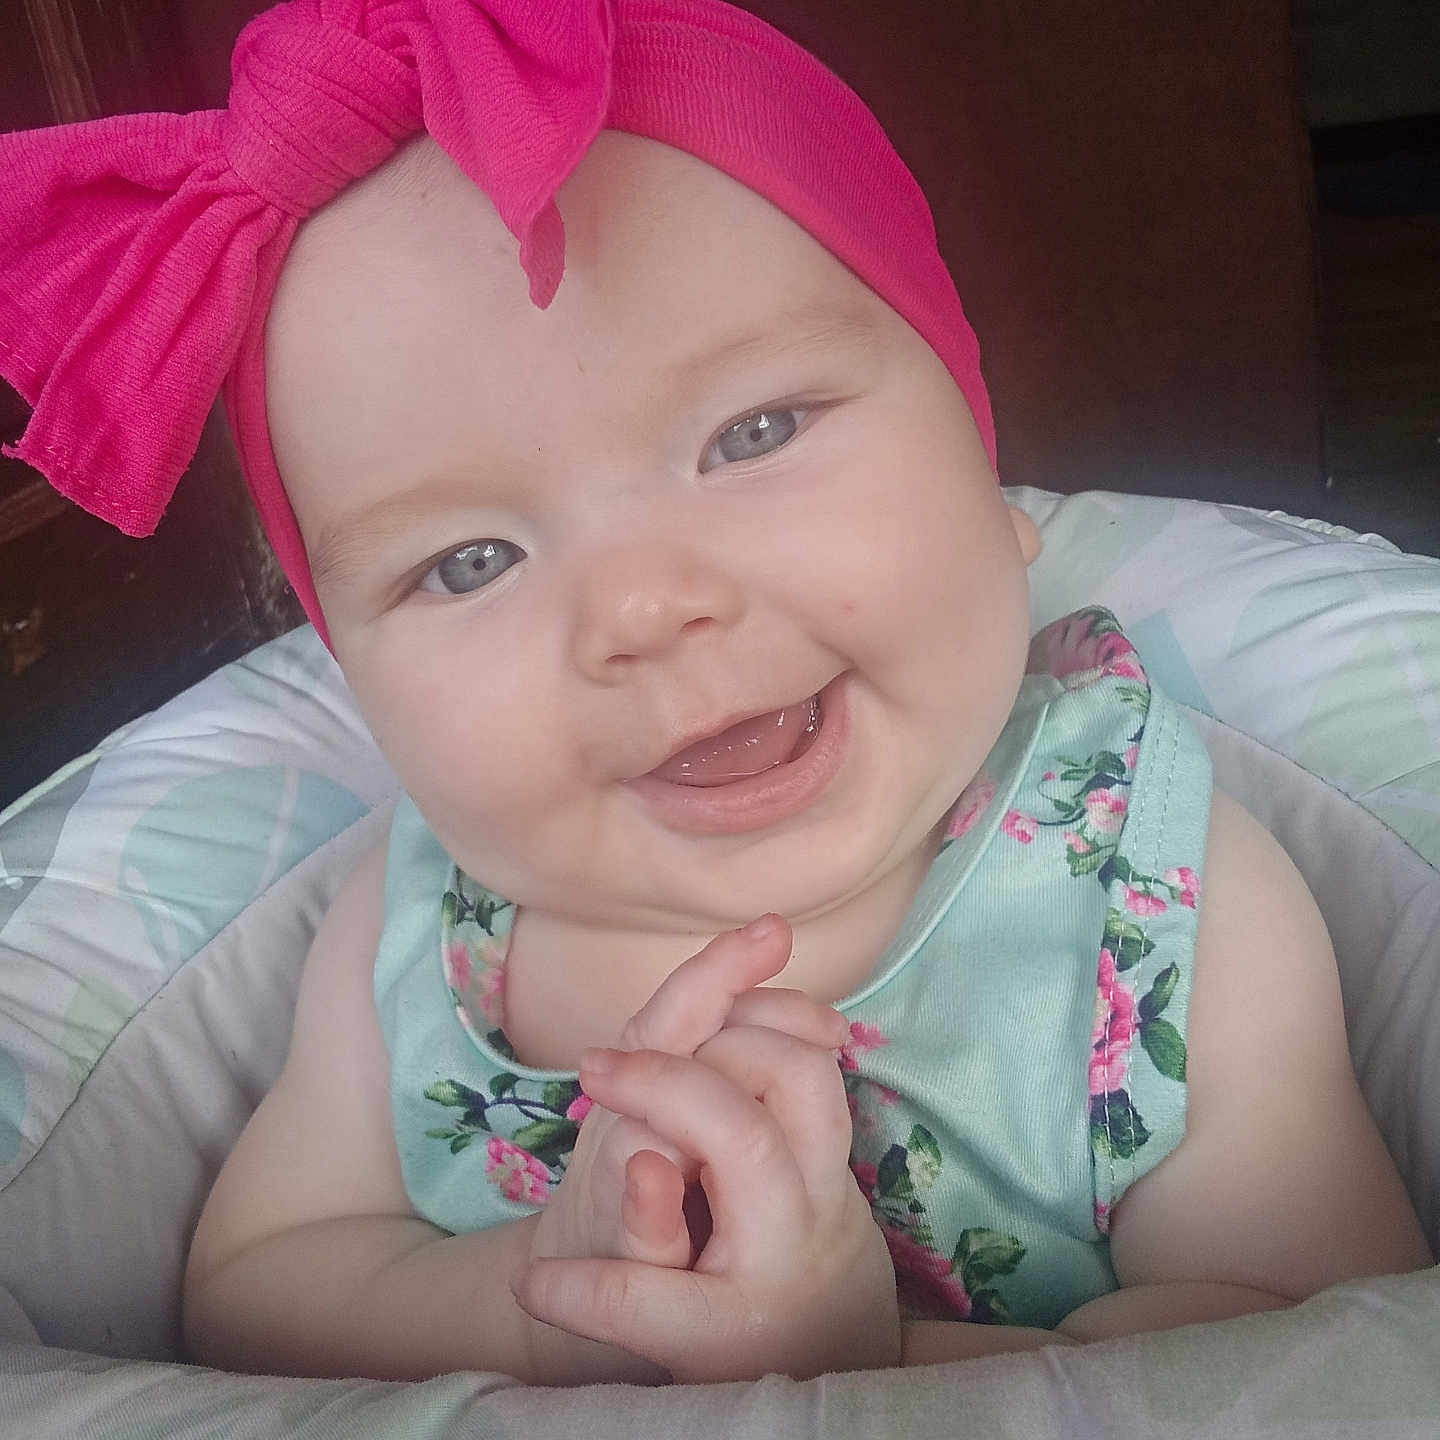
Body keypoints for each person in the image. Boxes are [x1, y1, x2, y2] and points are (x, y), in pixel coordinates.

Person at [1, 0, 1429, 1389]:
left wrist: (852, 1366)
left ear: (989, 489)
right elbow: (257, 1286)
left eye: (753, 433)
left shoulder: (1150, 895)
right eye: (468, 560)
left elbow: (1322, 1354)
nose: (639, 609)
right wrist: (541, 1305)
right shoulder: (432, 931)